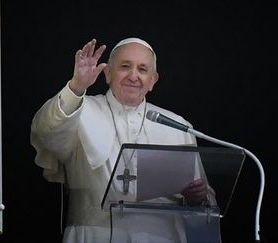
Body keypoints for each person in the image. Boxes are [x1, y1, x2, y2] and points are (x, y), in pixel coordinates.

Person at [30, 37, 216, 243]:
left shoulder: (177, 125)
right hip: (93, 236)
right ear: (108, 73)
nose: (133, 76)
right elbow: (45, 132)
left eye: (143, 69)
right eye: (125, 66)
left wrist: (197, 198)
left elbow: (205, 205)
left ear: (153, 80)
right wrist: (76, 87)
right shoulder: (80, 111)